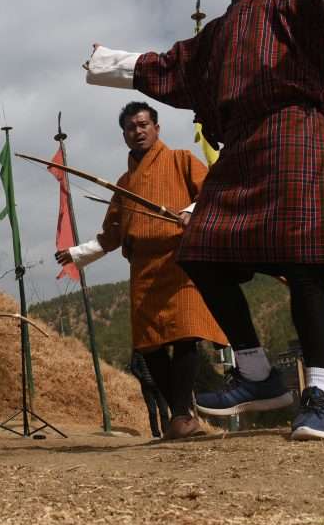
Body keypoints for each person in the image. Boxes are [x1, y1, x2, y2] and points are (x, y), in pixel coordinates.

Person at [83, 0, 324, 441]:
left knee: (306, 265)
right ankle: (258, 373)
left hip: (296, 128)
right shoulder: (216, 34)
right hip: (240, 145)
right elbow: (168, 67)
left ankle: (321, 393)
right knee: (201, 251)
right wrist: (104, 63)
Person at [56, 101, 227, 439]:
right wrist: (76, 253)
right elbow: (113, 234)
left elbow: (212, 192)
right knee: (149, 345)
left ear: (157, 128)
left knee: (186, 333)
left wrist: (192, 210)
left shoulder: (181, 160)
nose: (139, 131)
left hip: (181, 261)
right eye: (131, 127)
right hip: (144, 268)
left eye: (144, 124)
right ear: (124, 135)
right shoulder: (124, 182)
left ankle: (179, 415)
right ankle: (182, 412)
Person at [129, 350, 170, 439]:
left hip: (160, 385)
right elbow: (133, 367)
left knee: (164, 410)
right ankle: (156, 435)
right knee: (152, 411)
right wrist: (142, 378)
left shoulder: (158, 348)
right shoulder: (137, 351)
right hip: (146, 387)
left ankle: (166, 433)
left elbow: (166, 364)